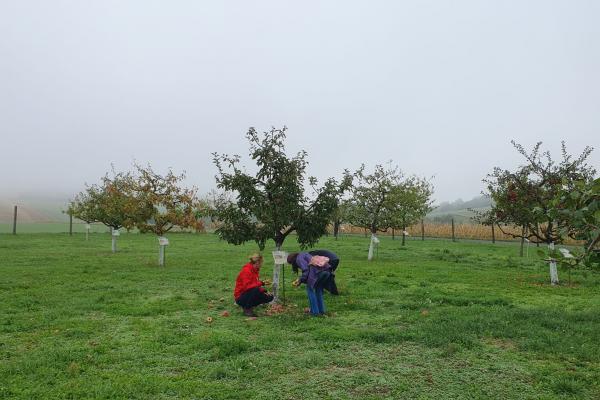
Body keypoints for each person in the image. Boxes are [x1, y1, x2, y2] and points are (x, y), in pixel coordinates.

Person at [286, 252, 334, 316]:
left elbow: (306, 270)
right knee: (318, 289)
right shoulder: (304, 254)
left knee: (310, 289)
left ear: (292, 260)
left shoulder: (298, 259)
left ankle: (315, 312)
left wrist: (300, 280)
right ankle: (322, 311)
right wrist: (301, 280)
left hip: (317, 272)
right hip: (327, 271)